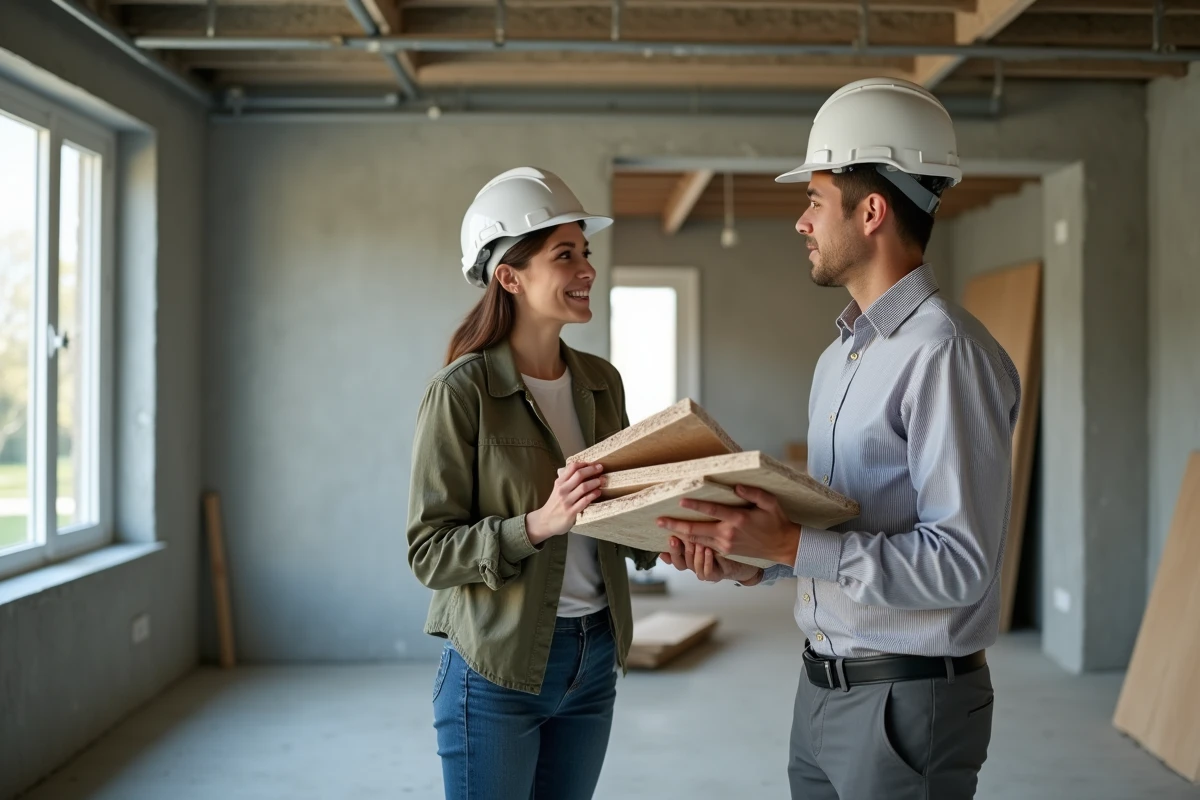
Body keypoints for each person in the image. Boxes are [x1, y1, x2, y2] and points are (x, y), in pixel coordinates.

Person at [657, 78, 1022, 800]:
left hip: (907, 702)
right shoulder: (843, 357)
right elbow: (845, 533)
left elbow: (961, 566)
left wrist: (793, 547)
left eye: (816, 200)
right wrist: (751, 561)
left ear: (873, 211)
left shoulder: (944, 353)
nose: (801, 221)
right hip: (823, 684)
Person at [406, 167, 658, 800]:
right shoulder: (461, 392)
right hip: (496, 670)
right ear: (509, 276)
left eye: (586, 253)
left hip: (594, 658)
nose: (587, 270)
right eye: (564, 255)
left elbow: (624, 522)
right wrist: (538, 524)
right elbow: (429, 553)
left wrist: (677, 519)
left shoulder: (602, 383)